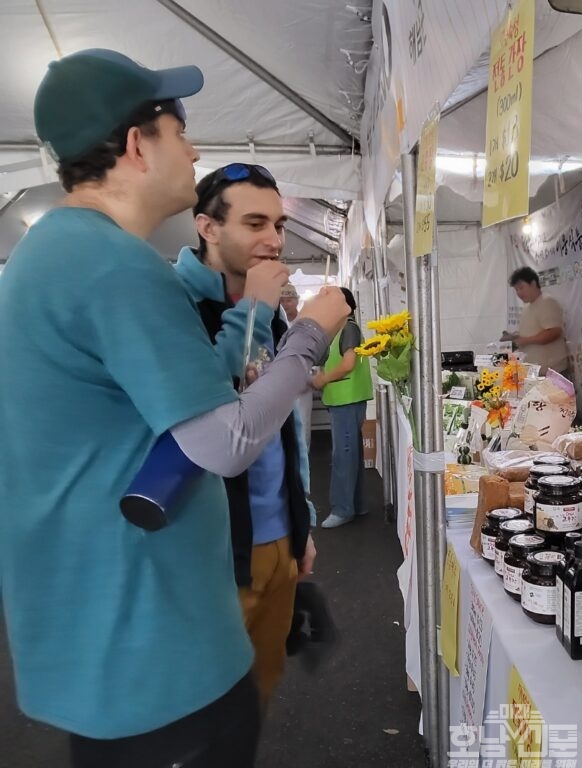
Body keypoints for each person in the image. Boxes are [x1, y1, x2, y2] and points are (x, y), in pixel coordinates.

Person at [0, 49, 348, 768]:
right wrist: (311, 332)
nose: (191, 150)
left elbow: (187, 397)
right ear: (136, 145)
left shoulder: (55, 255)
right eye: (178, 129)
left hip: (109, 633)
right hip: (150, 643)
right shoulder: (116, 267)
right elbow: (226, 439)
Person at [174, 163, 318, 712]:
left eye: (278, 225)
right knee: (204, 705)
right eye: (255, 223)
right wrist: (255, 307)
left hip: (277, 537)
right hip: (209, 552)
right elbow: (202, 408)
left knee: (258, 690)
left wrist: (299, 515)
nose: (273, 239)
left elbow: (286, 418)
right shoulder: (173, 303)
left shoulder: (274, 314)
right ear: (207, 227)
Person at [312, 287, 374, 528]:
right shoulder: (341, 329)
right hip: (344, 399)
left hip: (346, 399)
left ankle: (342, 508)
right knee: (351, 454)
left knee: (343, 455)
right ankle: (356, 504)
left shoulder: (348, 328)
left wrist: (324, 379)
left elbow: (348, 363)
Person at [505, 266, 570, 378]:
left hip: (552, 373)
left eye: (521, 287)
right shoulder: (526, 307)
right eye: (516, 289)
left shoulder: (547, 301)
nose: (519, 293)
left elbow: (554, 332)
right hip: (535, 373)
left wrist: (525, 340)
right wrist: (514, 337)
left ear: (533, 283)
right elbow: (532, 331)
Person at [280, 282, 314, 446]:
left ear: (296, 300)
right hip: (280, 382)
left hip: (302, 381)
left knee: (302, 422)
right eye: (282, 300)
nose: (285, 304)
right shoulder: (275, 324)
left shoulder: (305, 323)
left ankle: (304, 465)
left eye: (289, 300)